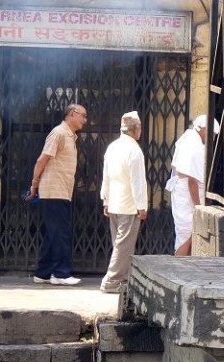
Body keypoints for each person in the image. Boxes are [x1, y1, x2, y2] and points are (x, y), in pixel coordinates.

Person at [29, 103, 88, 286]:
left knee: (52, 233)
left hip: (61, 191)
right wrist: (34, 183)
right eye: (83, 116)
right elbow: (42, 159)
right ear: (72, 114)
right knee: (61, 233)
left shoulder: (70, 136)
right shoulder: (59, 133)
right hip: (54, 191)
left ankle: (43, 273)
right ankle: (61, 274)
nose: (85, 120)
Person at [99, 111, 148, 294]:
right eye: (140, 128)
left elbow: (107, 176)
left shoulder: (113, 147)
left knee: (120, 245)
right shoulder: (134, 150)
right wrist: (141, 206)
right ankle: (111, 281)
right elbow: (138, 181)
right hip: (129, 206)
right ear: (136, 129)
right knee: (123, 245)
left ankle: (123, 280)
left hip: (114, 204)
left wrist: (105, 199)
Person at [167, 115, 219, 257]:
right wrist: (198, 207)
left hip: (183, 193)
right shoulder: (195, 146)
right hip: (187, 197)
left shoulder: (188, 137)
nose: (213, 139)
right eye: (213, 135)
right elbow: (192, 181)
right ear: (205, 130)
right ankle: (178, 268)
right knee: (187, 235)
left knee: (189, 234)